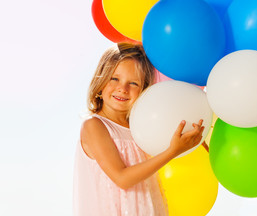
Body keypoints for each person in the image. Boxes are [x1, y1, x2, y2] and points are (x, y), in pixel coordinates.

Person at [73, 43, 205, 216]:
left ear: (144, 89)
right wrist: (173, 151)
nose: (123, 88)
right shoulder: (95, 126)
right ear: (101, 79)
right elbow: (122, 178)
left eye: (133, 83)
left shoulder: (141, 129)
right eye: (115, 78)